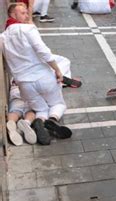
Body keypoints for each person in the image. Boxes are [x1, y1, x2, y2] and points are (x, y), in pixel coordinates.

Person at [2, 3, 72, 145]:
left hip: (24, 84)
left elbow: (8, 65)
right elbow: (43, 51)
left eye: (27, 13)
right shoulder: (28, 29)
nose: (27, 15)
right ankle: (51, 120)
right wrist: (57, 70)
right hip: (43, 77)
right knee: (58, 104)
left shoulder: (2, 38)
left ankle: (35, 122)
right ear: (13, 15)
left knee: (40, 109)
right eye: (23, 13)